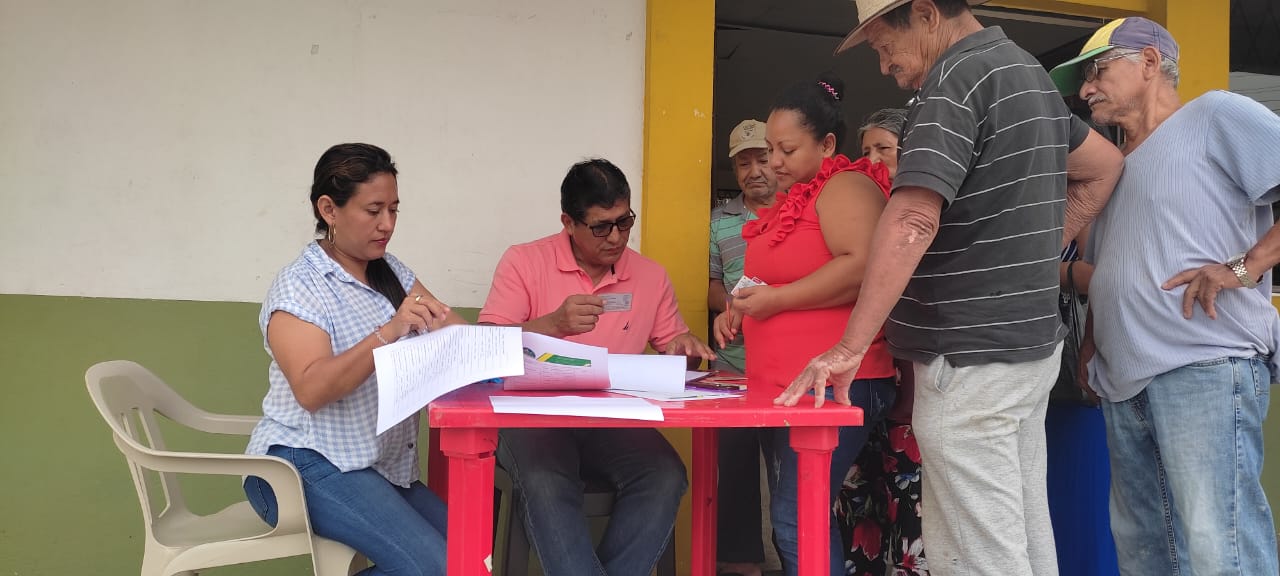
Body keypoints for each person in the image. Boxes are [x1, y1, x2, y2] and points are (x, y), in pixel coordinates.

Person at [778, 2, 1125, 575]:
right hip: (1025, 350)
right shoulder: (1025, 70)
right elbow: (1105, 164)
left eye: (884, 45)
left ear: (925, 13)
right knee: (1021, 534)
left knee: (979, 554)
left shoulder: (952, 81)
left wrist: (849, 346)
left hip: (969, 358)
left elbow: (913, 219)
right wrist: (1030, 256)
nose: (885, 66)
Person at [1050, 17, 1280, 576]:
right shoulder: (1113, 164)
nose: (1086, 90)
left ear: (1150, 63)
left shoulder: (1215, 114)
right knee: (1143, 553)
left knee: (1217, 550)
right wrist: (1095, 342)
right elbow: (1118, 265)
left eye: (1096, 71)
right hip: (1123, 379)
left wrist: (1244, 268)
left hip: (1204, 365)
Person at [479, 158, 715, 576]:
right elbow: (484, 347)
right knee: (547, 480)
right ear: (569, 223)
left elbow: (674, 346)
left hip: (612, 418)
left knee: (664, 474)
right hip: (532, 418)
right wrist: (553, 324)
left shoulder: (650, 276)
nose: (617, 237)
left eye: (624, 222)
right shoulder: (524, 262)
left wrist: (685, 349)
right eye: (601, 227)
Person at [243, 143, 467, 576]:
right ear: (329, 209)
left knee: (470, 553)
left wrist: (544, 332)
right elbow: (312, 389)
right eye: (374, 210)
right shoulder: (300, 285)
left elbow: (459, 336)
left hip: (374, 466)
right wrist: (389, 332)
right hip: (301, 467)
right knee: (437, 568)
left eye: (394, 210)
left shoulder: (391, 272)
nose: (388, 224)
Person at [715, 74, 897, 576]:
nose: (774, 161)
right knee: (794, 518)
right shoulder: (797, 197)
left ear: (828, 144)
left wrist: (776, 300)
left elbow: (863, 268)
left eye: (787, 149)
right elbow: (783, 270)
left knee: (797, 519)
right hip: (785, 387)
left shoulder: (847, 186)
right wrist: (742, 304)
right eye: (771, 148)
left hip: (836, 384)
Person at [838, 107, 930, 576]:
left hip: (911, 396)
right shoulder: (852, 215)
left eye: (884, 149)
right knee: (857, 509)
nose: (872, 160)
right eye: (865, 150)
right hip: (860, 386)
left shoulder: (927, 216)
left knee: (911, 517)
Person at [710, 119, 779, 576]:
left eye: (762, 159)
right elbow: (712, 283)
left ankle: (797, 558)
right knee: (733, 466)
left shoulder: (804, 211)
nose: (754, 171)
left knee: (789, 467)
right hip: (734, 364)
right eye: (743, 163)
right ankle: (740, 562)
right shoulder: (719, 221)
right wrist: (729, 306)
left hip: (788, 365)